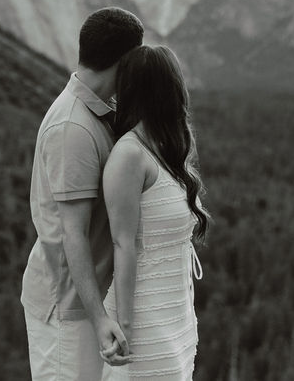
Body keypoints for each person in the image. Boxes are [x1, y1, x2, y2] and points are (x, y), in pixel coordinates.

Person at [21, 7, 145, 380]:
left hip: (84, 300)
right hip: (68, 309)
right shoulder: (72, 126)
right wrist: (99, 317)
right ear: (124, 62)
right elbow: (72, 231)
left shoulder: (99, 111)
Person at [101, 45, 210, 380]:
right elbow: (123, 243)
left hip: (175, 312)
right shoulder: (129, 155)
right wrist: (126, 327)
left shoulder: (166, 148)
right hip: (143, 317)